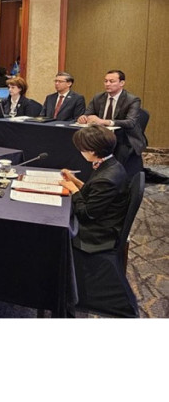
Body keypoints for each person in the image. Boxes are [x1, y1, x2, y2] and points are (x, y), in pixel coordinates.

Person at [59, 125, 136, 316]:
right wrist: (74, 181)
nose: (80, 151)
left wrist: (74, 190)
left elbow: (86, 214)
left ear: (92, 151)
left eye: (82, 148)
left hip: (98, 232)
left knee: (56, 232)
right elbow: (93, 193)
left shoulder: (107, 178)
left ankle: (62, 289)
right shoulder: (110, 164)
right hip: (102, 218)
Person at [78, 70, 146, 175]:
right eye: (105, 81)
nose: (107, 84)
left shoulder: (132, 100)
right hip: (101, 136)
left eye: (111, 81)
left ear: (122, 83)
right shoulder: (98, 97)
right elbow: (88, 114)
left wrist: (104, 122)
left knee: (119, 155)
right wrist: (83, 118)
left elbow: (130, 122)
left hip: (124, 138)